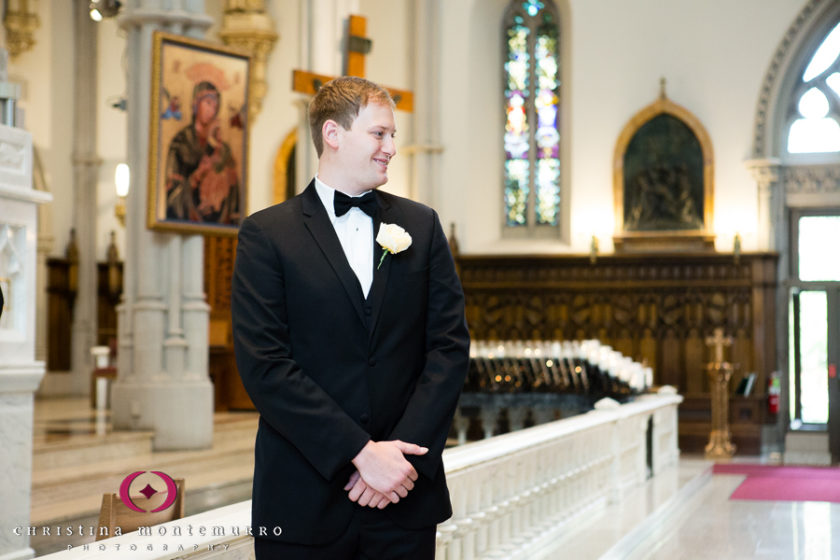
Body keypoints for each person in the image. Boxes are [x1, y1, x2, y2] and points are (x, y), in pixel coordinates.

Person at [231, 76, 470, 559]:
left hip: (404, 498)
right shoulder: (266, 234)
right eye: (379, 134)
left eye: (393, 136)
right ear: (333, 134)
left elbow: (448, 348)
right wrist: (359, 454)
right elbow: (266, 366)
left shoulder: (420, 225)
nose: (391, 148)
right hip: (305, 497)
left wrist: (398, 460)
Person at [164, 81, 240, 224]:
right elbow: (170, 192)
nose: (211, 110)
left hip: (218, 218)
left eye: (215, 106)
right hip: (186, 217)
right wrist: (197, 175)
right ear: (195, 104)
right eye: (208, 103)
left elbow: (234, 192)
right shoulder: (181, 141)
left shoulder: (223, 148)